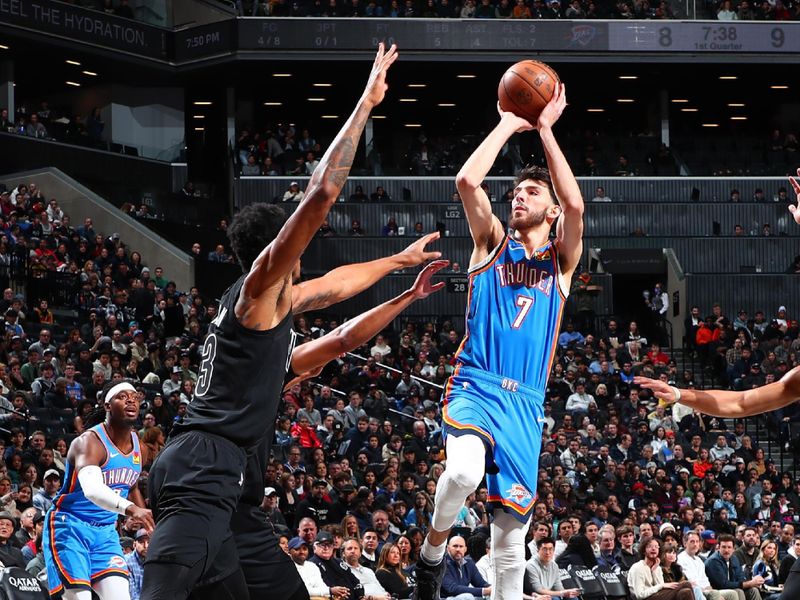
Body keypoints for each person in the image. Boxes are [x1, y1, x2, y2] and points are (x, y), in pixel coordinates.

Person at [142, 44, 399, 600]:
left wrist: (400, 263)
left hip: (231, 485)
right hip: (203, 465)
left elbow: (336, 299)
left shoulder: (275, 308)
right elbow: (323, 191)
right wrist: (365, 102)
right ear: (278, 250)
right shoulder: (258, 291)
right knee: (166, 588)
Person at [415, 83, 584, 600]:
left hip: (526, 406)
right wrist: (511, 123)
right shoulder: (490, 242)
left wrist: (547, 131)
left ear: (549, 213)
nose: (519, 196)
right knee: (463, 471)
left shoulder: (561, 262)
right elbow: (468, 180)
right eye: (516, 192)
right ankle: (432, 552)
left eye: (531, 193)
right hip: (477, 382)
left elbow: (575, 203)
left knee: (510, 546)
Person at [43, 381, 153, 600]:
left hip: (105, 532)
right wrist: (132, 510)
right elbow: (92, 490)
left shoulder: (140, 447)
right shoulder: (89, 442)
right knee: (80, 597)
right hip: (70, 526)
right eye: (122, 396)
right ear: (108, 405)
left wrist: (150, 525)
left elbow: (130, 486)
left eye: (134, 396)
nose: (131, 400)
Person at [628, 537, 695, 600]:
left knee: (685, 592)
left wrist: (654, 571)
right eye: (650, 546)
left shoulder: (657, 567)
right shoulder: (637, 568)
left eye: (656, 547)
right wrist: (661, 586)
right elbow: (640, 595)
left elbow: (661, 590)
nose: (653, 549)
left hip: (656, 596)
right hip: (645, 598)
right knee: (686, 584)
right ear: (643, 550)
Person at [441, 535, 491, 600]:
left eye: (461, 546)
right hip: (446, 598)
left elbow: (482, 584)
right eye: (455, 546)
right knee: (467, 597)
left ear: (465, 549)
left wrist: (493, 588)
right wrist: (485, 591)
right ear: (448, 548)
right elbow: (452, 589)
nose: (458, 549)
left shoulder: (469, 563)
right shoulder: (442, 564)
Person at [125, 529, 149, 600]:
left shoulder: (157, 560)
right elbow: (132, 594)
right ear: (134, 544)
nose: (146, 546)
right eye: (141, 542)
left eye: (149, 542)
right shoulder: (127, 561)